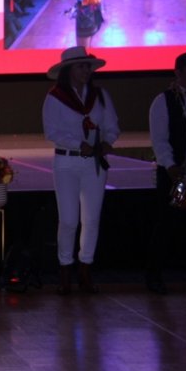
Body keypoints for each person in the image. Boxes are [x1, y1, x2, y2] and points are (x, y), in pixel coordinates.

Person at [42, 46, 119, 295]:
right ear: (68, 70)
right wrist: (78, 144)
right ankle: (65, 268)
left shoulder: (100, 95)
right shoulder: (55, 97)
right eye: (81, 66)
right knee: (68, 219)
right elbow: (52, 131)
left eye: (88, 66)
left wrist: (107, 141)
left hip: (94, 163)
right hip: (66, 162)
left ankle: (85, 267)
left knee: (92, 219)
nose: (86, 70)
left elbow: (112, 125)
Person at [145, 51, 186, 295]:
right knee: (167, 223)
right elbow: (159, 139)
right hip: (177, 174)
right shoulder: (164, 101)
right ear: (178, 72)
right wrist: (171, 166)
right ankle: (154, 275)